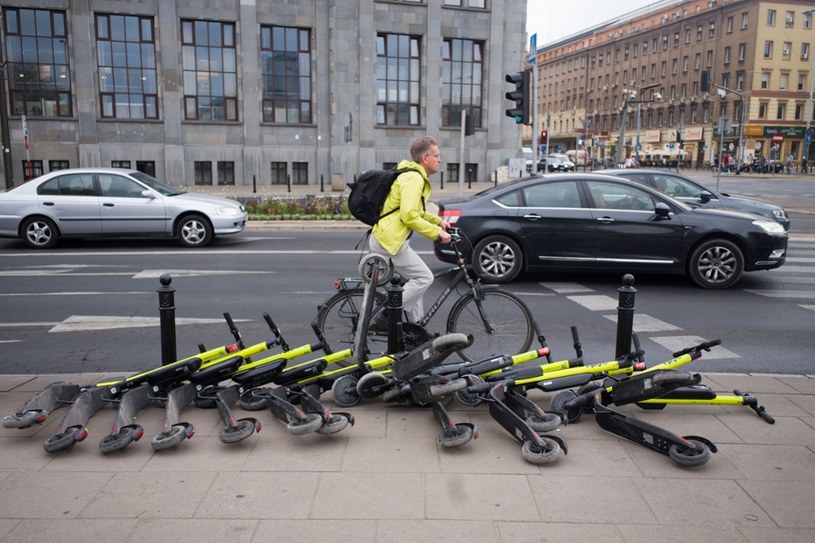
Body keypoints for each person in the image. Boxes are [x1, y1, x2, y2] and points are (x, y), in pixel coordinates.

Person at [369, 136, 452, 329]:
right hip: (390, 241)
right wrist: (437, 234)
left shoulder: (413, 175)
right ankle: (388, 315)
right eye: (437, 156)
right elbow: (409, 216)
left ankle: (416, 330)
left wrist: (438, 221)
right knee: (424, 278)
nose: (439, 160)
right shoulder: (413, 178)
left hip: (390, 238)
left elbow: (416, 211)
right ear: (425, 158)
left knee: (416, 285)